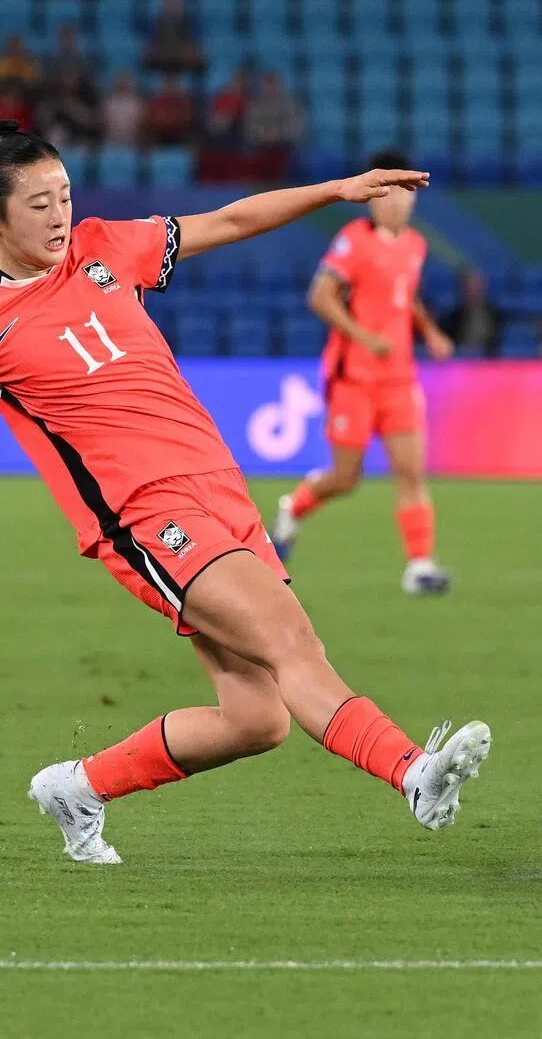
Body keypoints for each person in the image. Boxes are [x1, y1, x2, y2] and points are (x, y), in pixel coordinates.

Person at [0, 122, 489, 864]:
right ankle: (414, 773)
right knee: (291, 639)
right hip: (145, 515)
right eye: (40, 204)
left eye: (65, 194)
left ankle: (78, 786)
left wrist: (335, 190)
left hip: (218, 487)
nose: (61, 214)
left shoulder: (104, 246)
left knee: (257, 718)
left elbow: (228, 221)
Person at [271, 149, 455, 595]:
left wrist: (429, 331)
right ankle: (292, 507)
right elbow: (320, 296)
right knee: (346, 478)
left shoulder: (415, 246)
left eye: (406, 194)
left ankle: (419, 565)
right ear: (374, 197)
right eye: (390, 192)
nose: (398, 202)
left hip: (399, 378)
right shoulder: (352, 241)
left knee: (411, 473)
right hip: (354, 378)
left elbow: (403, 296)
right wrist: (363, 336)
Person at [440, 266, 503, 357]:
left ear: (483, 287)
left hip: (488, 362)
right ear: (460, 288)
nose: (471, 290)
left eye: (475, 285)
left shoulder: (495, 313)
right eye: (466, 286)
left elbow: (497, 344)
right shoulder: (452, 317)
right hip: (460, 362)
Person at [145, 0, 206, 76]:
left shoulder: (192, 24)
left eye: (175, 0)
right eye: (169, 0)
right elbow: (148, 51)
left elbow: (197, 52)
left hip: (184, 64)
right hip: (161, 64)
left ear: (182, 3)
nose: (172, 3)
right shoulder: (154, 24)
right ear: (163, 3)